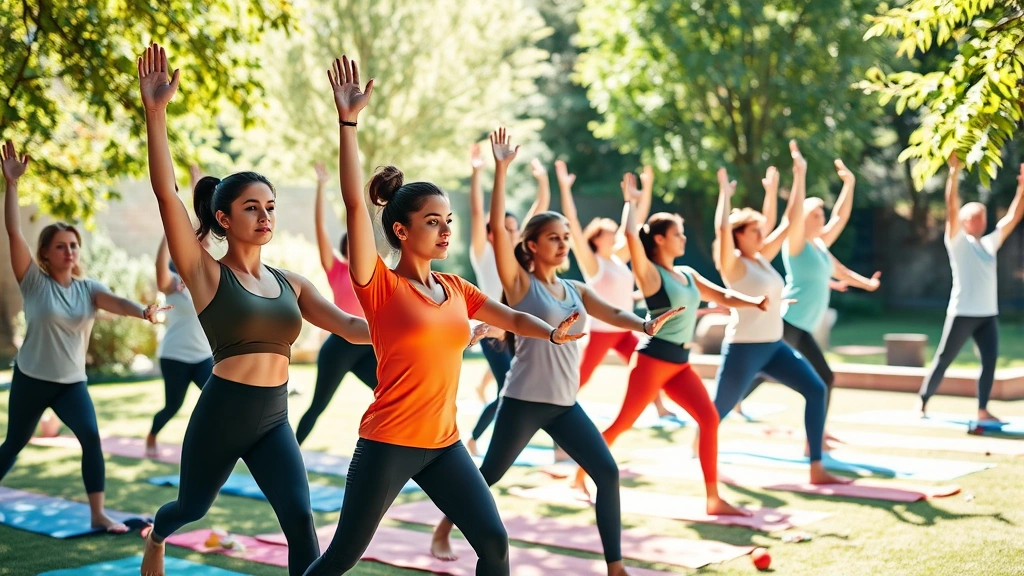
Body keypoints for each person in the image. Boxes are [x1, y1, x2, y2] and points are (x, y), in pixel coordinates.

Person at [302, 56, 583, 576]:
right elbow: (355, 204)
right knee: (342, 557)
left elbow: (511, 317)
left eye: (448, 220)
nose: (446, 230)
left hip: (444, 444)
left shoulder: (455, 287)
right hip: (388, 443)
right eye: (433, 221)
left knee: (494, 543)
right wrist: (348, 123)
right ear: (402, 231)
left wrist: (551, 332)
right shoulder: (380, 285)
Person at [136, 44, 372, 576]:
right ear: (223, 218)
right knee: (190, 508)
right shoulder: (205, 273)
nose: (264, 216)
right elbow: (167, 194)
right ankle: (158, 535)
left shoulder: (292, 282)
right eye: (251, 208)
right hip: (222, 414)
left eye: (270, 207)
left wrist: (420, 328)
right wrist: (155, 114)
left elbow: (352, 326)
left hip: (274, 417)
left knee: (300, 519)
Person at [430, 129, 683, 576]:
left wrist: (645, 324)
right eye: (554, 237)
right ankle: (444, 527)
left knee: (607, 472)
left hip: (566, 404)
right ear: (531, 245)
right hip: (524, 401)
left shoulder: (575, 289)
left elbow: (612, 312)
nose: (564, 243)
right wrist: (500, 169)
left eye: (566, 236)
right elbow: (495, 230)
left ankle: (615, 566)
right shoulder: (519, 284)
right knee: (489, 475)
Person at [573, 172, 767, 515]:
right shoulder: (651, 275)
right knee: (622, 424)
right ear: (660, 239)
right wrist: (631, 203)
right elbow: (631, 235)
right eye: (678, 233)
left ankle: (713, 499)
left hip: (679, 364)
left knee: (709, 419)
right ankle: (578, 474)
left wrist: (756, 302)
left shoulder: (688, 274)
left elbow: (722, 295)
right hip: (651, 362)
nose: (683, 238)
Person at [1, 139, 167, 534]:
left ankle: (98, 514)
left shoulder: (87, 289)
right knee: (14, 444)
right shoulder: (33, 281)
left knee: (91, 438)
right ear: (45, 253)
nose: (70, 251)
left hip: (71, 384)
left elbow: (116, 302)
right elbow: (13, 231)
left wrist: (143, 311)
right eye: (61, 246)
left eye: (74, 245)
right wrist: (11, 184)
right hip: (31, 378)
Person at [710, 141, 849, 485]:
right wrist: (724, 195)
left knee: (816, 389)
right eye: (754, 231)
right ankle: (700, 451)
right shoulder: (733, 265)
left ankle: (816, 467)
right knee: (715, 412)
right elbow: (722, 230)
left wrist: (799, 174)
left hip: (773, 346)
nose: (762, 234)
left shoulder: (762, 258)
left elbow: (790, 220)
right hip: (744, 349)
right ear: (739, 236)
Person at [737, 159, 880, 444]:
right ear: (803, 219)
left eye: (821, 213)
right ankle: (814, 436)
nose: (822, 218)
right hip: (790, 321)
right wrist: (796, 178)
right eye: (815, 214)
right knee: (818, 377)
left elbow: (841, 238)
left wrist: (849, 185)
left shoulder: (820, 246)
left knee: (770, 369)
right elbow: (792, 217)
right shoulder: (797, 244)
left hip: (801, 326)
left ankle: (736, 399)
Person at [556, 161, 676, 418]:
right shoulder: (593, 263)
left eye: (614, 232)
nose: (614, 235)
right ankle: (556, 406)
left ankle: (660, 407)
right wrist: (565, 188)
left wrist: (644, 191)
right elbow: (572, 223)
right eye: (609, 233)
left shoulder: (619, 259)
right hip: (601, 331)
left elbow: (636, 223)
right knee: (582, 377)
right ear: (596, 238)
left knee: (646, 365)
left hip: (624, 330)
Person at [919, 156, 1024, 421]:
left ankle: (982, 410)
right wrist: (953, 173)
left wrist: (1022, 189)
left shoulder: (988, 244)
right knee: (944, 358)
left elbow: (1013, 217)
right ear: (965, 221)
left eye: (984, 217)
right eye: (976, 218)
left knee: (989, 361)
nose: (982, 222)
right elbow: (951, 207)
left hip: (987, 315)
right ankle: (922, 402)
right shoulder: (957, 241)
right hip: (962, 312)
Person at [465, 144, 550, 455]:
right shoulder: (483, 252)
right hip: (491, 331)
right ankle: (475, 439)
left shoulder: (517, 257)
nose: (514, 234)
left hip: (516, 331)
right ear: (492, 233)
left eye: (515, 230)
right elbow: (478, 213)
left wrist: (543, 181)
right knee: (508, 389)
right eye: (507, 229)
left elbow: (539, 214)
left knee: (529, 386)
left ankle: (553, 444)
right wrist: (477, 172)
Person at [294, 162, 378, 445]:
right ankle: (288, 453)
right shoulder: (336, 269)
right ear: (345, 249)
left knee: (394, 394)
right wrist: (321, 187)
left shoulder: (374, 272)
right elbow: (320, 228)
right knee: (318, 407)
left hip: (368, 345)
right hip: (339, 346)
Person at [146, 232, 214, 457]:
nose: (208, 243)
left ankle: (213, 445)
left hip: (203, 356)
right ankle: (152, 435)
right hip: (174, 356)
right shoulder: (174, 283)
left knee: (218, 399)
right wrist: (168, 232)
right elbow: (160, 271)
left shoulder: (207, 279)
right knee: (173, 406)